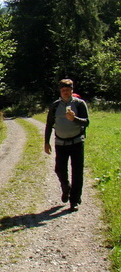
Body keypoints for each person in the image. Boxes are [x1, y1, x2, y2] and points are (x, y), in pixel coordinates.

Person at [44, 79, 89, 212]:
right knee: (59, 169)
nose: (65, 92)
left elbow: (86, 122)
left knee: (77, 173)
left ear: (72, 90)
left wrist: (74, 119)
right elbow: (49, 125)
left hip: (76, 143)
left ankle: (74, 200)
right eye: (63, 90)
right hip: (60, 143)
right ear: (60, 91)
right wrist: (46, 142)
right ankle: (66, 188)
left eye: (68, 90)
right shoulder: (55, 106)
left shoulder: (80, 104)